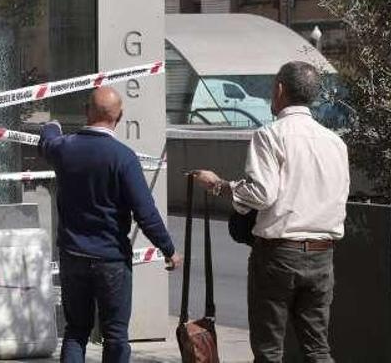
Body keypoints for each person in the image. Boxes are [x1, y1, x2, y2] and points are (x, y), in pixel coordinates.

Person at [192, 61, 349, 363]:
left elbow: (262, 194)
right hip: (322, 254)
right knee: (317, 348)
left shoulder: (270, 135)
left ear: (279, 90)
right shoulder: (336, 143)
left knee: (268, 350)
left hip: (279, 255)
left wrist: (219, 186)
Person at [39, 86, 182, 363]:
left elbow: (47, 138)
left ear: (86, 112)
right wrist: (168, 249)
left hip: (73, 255)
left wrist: (53, 125)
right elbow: (145, 212)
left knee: (76, 331)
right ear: (120, 117)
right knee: (115, 335)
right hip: (111, 259)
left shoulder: (65, 149)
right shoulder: (123, 157)